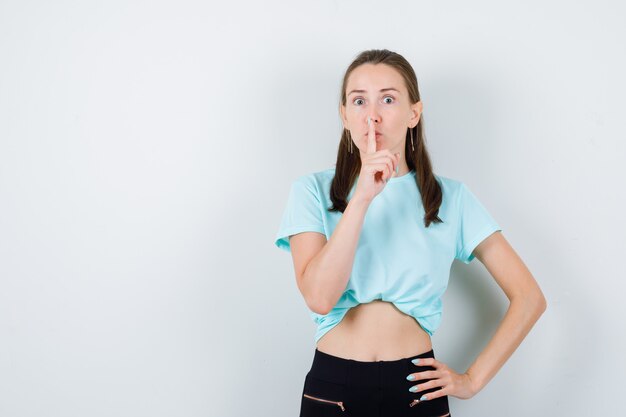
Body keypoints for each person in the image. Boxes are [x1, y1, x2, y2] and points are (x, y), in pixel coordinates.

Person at [274, 49, 546, 417]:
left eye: (388, 99)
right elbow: (320, 298)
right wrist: (362, 198)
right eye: (359, 101)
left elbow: (529, 297)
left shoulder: (452, 198)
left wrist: (472, 380)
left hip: (416, 388)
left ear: (413, 113)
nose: (372, 114)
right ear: (344, 116)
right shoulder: (311, 191)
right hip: (334, 387)